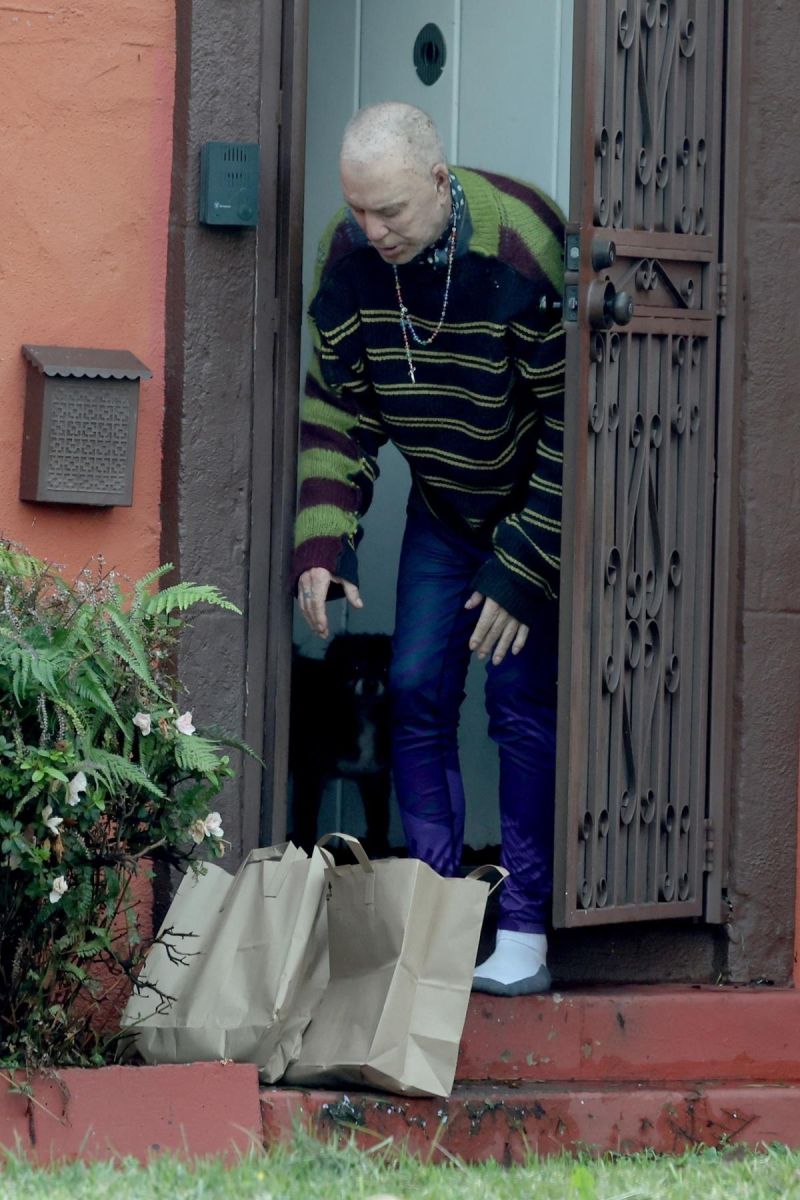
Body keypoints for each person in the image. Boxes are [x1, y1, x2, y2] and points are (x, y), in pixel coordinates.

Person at [291, 101, 565, 996]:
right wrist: (323, 544)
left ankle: (523, 931)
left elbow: (581, 416)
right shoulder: (347, 259)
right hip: (444, 507)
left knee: (519, 703)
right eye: (358, 210)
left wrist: (526, 561)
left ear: (440, 183)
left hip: (533, 503)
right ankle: (442, 922)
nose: (373, 231)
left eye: (391, 211)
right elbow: (337, 409)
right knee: (414, 690)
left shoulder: (520, 243)